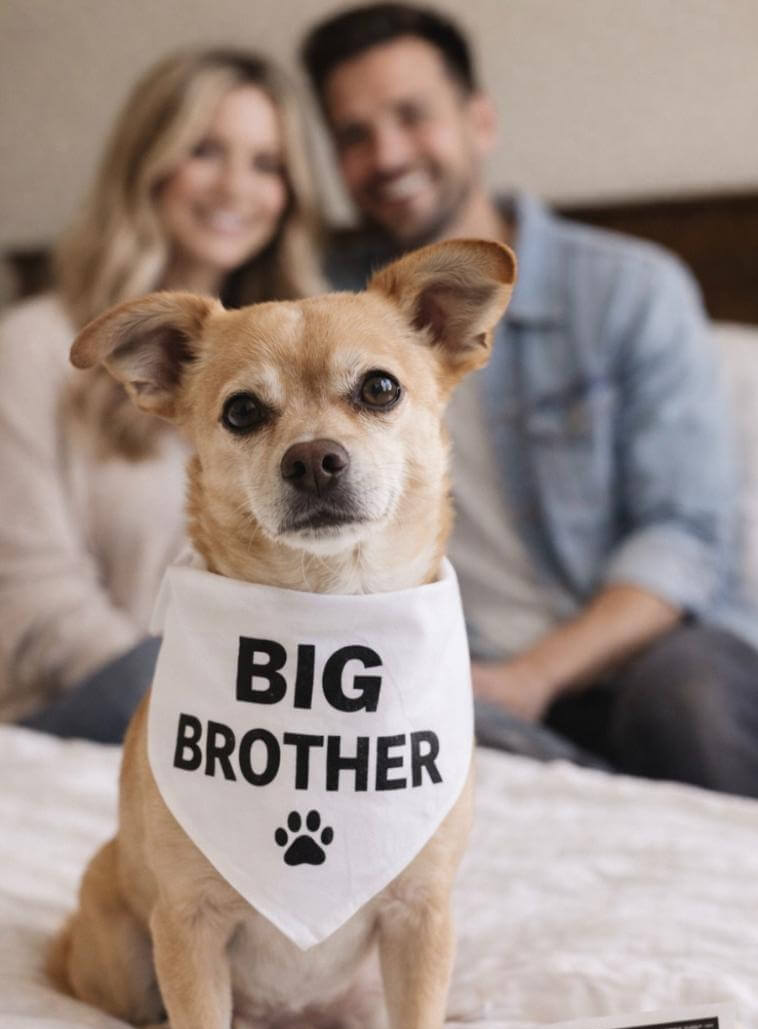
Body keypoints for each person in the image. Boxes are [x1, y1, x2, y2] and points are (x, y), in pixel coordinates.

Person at [301, 2, 758, 797]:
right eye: (354, 135)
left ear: (479, 120)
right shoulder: (318, 314)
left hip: (643, 652)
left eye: (413, 115)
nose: (388, 154)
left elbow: (684, 537)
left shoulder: (628, 290)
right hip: (457, 662)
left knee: (685, 699)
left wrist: (533, 677)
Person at [0, 50, 323, 743]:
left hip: (259, 699)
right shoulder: (32, 345)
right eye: (205, 150)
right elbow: (22, 588)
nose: (236, 189)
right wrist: (202, 688)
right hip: (94, 697)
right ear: (146, 161)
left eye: (267, 164)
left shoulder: (304, 355)